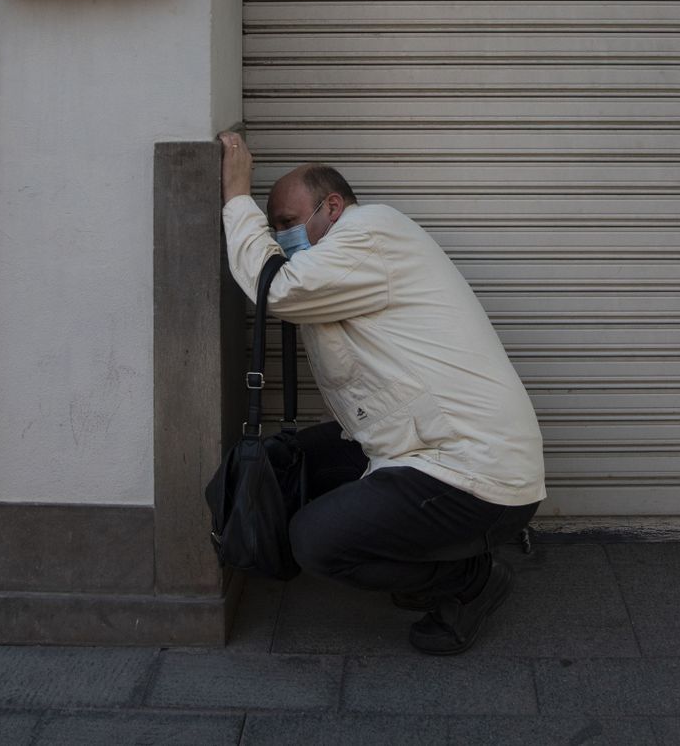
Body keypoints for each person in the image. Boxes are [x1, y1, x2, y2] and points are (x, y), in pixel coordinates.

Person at [218, 131, 546, 655]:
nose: (281, 235)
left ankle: (468, 580)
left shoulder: (371, 231)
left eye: (287, 221)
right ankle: (424, 551)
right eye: (274, 224)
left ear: (333, 205)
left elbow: (277, 290)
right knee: (293, 465)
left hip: (475, 473)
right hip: (415, 443)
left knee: (314, 541)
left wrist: (237, 199)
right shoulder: (342, 257)